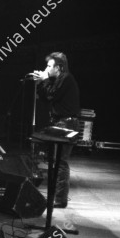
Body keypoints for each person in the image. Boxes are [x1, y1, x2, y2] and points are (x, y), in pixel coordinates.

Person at [31, 51, 81, 208]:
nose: (46, 68)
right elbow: (46, 98)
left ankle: (60, 199)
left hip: (67, 124)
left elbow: (53, 95)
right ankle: (56, 197)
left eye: (49, 66)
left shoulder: (66, 78)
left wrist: (45, 80)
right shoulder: (57, 80)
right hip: (59, 123)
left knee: (60, 162)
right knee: (54, 161)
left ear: (59, 67)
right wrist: (40, 83)